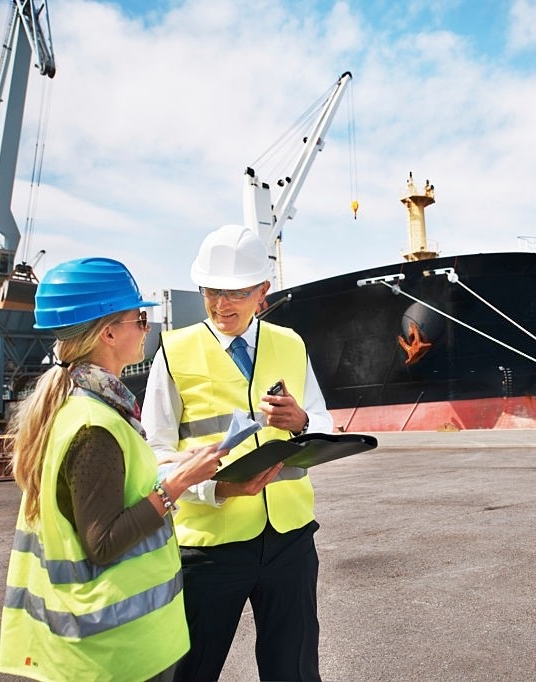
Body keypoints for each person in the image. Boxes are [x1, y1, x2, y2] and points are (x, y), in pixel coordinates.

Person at [0, 257, 228, 681]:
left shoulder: (88, 406)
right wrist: (175, 485)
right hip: (115, 649)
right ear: (108, 332)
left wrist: (177, 463)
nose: (146, 328)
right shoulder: (94, 426)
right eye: (139, 319)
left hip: (110, 643)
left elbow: (112, 489)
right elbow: (102, 542)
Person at [141, 224, 332, 682]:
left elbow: (323, 420)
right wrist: (217, 487)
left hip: (290, 537)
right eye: (212, 292)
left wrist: (302, 422)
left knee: (296, 670)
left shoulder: (291, 343)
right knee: (190, 670)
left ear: (263, 291)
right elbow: (154, 451)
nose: (221, 305)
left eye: (237, 293)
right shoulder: (174, 351)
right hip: (209, 545)